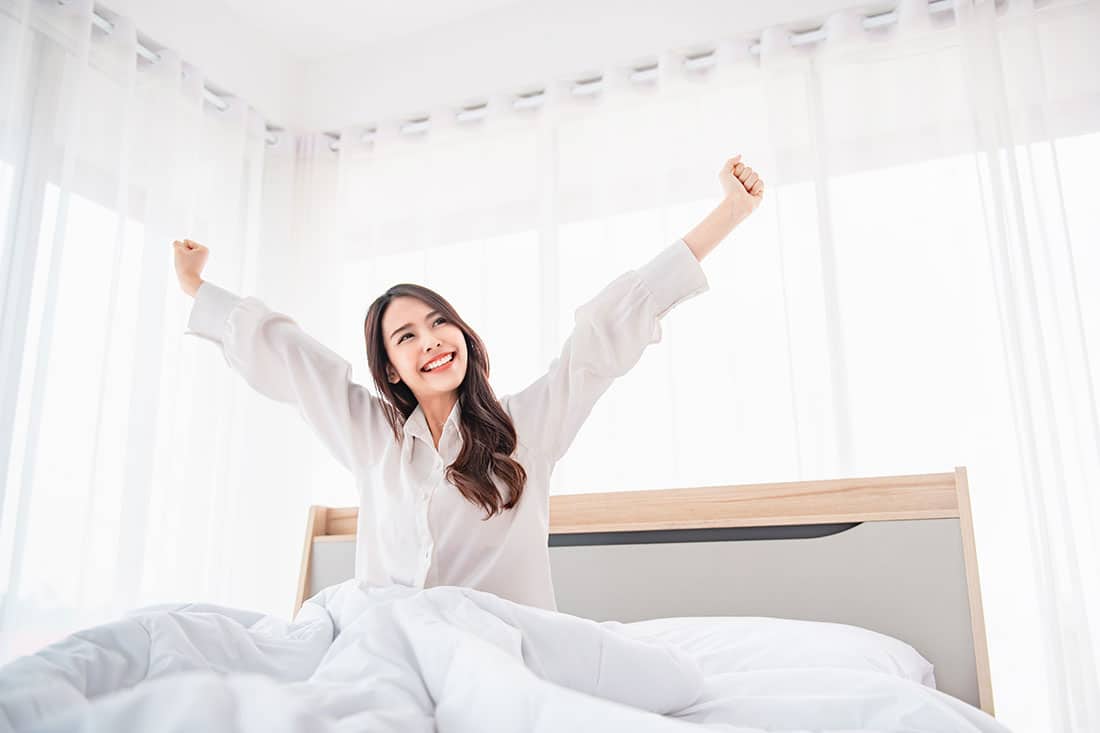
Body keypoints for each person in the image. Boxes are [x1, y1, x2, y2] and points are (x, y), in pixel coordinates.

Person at [173, 156, 764, 612]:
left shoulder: (526, 426)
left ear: (462, 334)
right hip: (389, 647)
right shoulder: (369, 436)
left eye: (437, 322)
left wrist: (728, 214)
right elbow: (295, 360)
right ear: (391, 369)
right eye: (404, 337)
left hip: (498, 648)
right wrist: (198, 287)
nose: (429, 340)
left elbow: (603, 334)